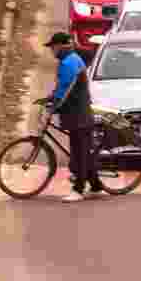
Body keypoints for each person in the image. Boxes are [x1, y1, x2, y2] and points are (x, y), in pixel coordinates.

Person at [40, 31, 105, 201]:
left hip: (78, 114)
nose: (51, 51)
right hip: (78, 112)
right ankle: (96, 185)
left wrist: (54, 105)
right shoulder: (71, 59)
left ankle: (78, 190)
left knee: (80, 153)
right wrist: (50, 98)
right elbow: (62, 85)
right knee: (82, 151)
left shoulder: (69, 62)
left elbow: (65, 89)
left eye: (52, 47)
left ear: (60, 46)